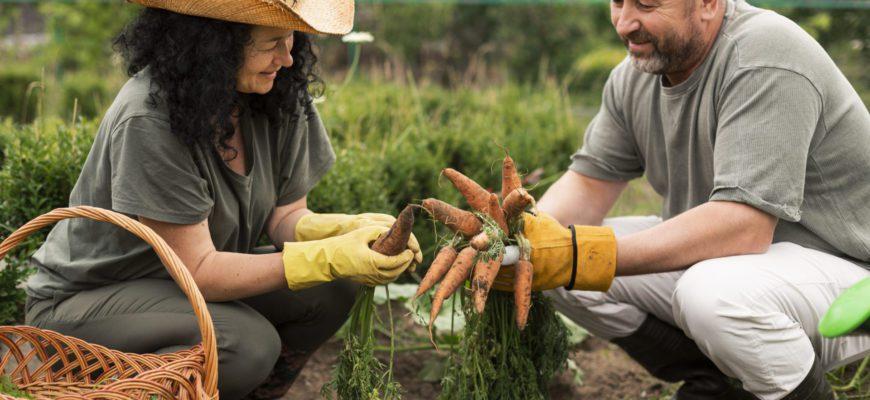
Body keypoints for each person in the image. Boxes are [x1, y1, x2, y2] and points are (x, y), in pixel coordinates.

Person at [22, 1, 421, 399]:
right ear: (214, 43)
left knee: (331, 289)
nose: (286, 58)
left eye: (292, 39)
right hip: (88, 303)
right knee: (243, 344)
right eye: (271, 43)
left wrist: (344, 231)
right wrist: (327, 255)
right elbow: (199, 271)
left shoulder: (276, 93)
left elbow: (285, 217)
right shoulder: (151, 115)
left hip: (177, 288)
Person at [495, 0, 869, 399]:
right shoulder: (635, 75)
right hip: (746, 270)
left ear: (708, 4)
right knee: (554, 266)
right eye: (617, 2)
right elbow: (587, 185)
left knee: (709, 294)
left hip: (848, 276)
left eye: (646, 5)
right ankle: (718, 385)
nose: (624, 23)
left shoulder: (764, 54)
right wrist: (516, 243)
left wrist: (578, 254)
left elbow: (744, 228)